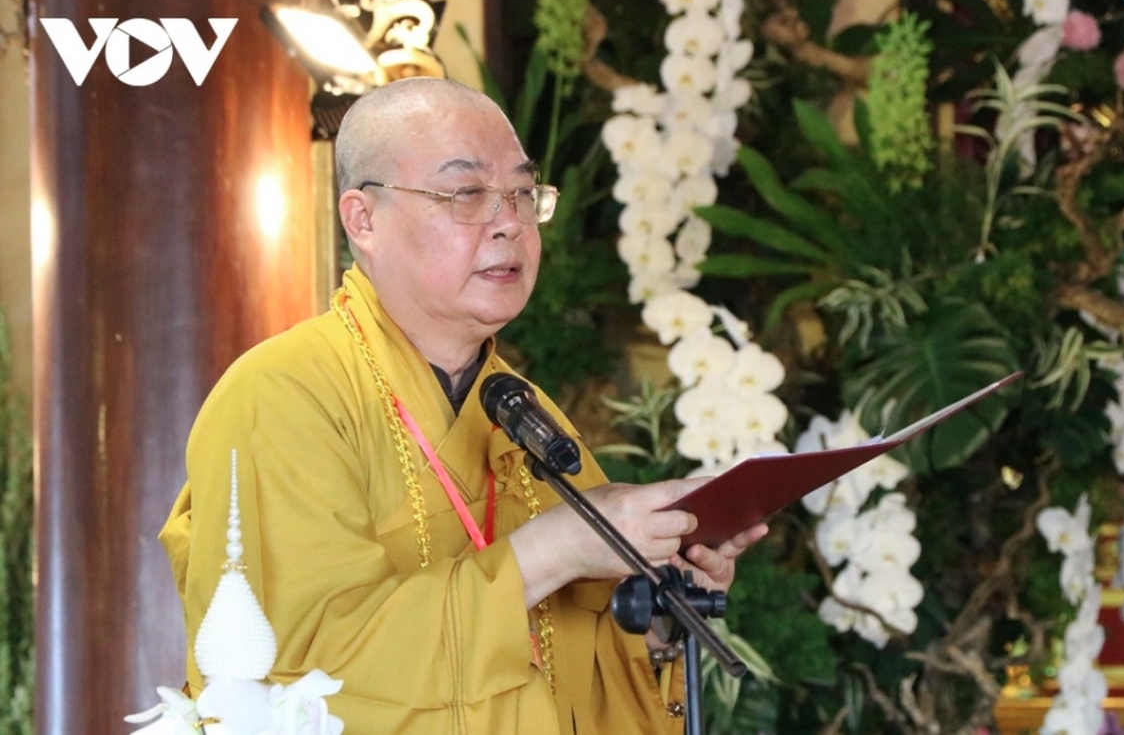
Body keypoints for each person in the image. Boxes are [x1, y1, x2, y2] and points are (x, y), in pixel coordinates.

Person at [160, 77, 768, 734]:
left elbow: (569, 669)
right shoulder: (283, 395)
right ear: (363, 219)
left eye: (521, 194)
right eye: (467, 193)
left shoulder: (525, 416)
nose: (509, 221)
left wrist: (653, 615)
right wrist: (555, 549)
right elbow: (299, 672)